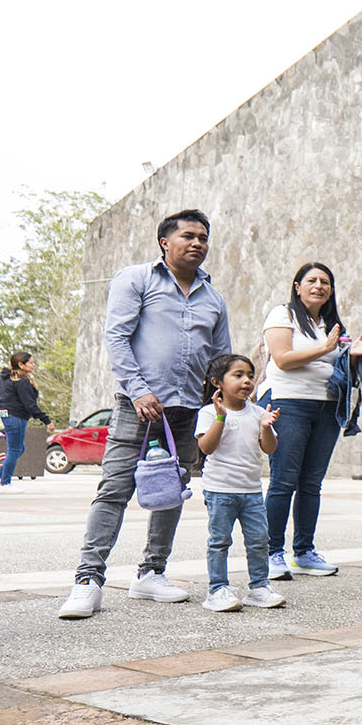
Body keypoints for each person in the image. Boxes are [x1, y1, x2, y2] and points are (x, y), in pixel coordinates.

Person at [60, 210, 231, 620]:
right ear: (164, 243)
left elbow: (220, 358)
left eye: (203, 238)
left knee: (170, 491)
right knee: (114, 488)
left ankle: (151, 572)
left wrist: (220, 398)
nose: (197, 243)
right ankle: (88, 580)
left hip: (186, 410)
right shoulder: (136, 279)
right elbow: (116, 336)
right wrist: (138, 391)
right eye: (188, 236)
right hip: (137, 406)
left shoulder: (213, 299)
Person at [262, 262, 362, 579]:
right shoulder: (282, 315)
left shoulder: (332, 325)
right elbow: (283, 360)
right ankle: (271, 553)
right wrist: (325, 347)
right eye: (312, 280)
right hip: (287, 402)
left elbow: (343, 373)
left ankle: (304, 552)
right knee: (283, 481)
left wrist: (353, 356)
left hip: (326, 407)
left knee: (311, 483)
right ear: (297, 286)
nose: (319, 286)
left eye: (325, 282)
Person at [195, 353, 284, 613]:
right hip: (220, 490)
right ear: (217, 382)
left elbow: (269, 449)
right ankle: (217, 589)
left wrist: (266, 427)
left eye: (250, 376)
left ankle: (259, 587)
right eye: (238, 375)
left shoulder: (258, 413)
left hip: (251, 491)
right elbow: (206, 447)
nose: (246, 381)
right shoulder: (209, 412)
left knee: (259, 540)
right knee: (220, 541)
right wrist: (221, 418)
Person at [0, 351, 55, 490]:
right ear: (21, 364)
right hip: (15, 417)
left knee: (19, 449)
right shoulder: (21, 381)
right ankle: (5, 482)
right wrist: (46, 420)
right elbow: (30, 405)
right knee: (15, 450)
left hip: (6, 416)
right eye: (31, 362)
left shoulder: (5, 379)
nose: (34, 365)